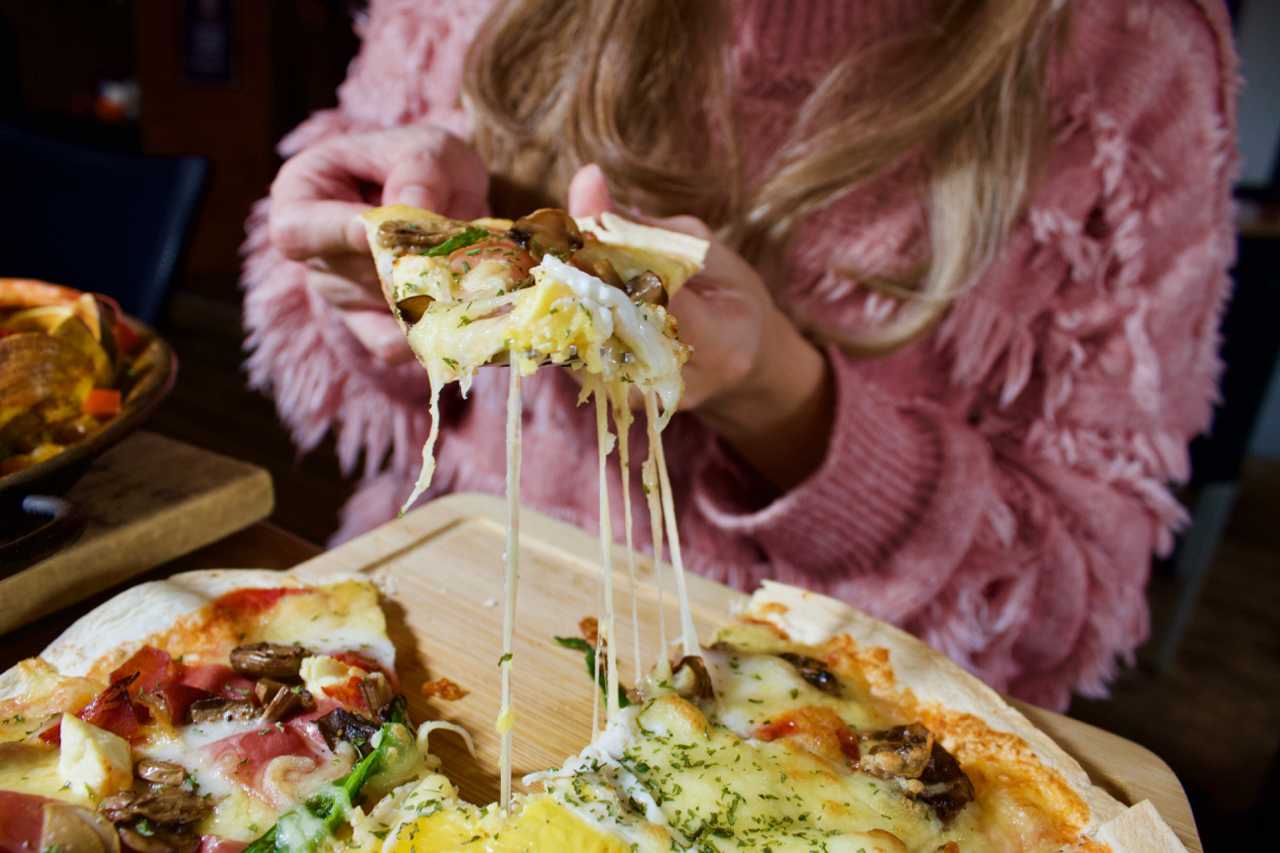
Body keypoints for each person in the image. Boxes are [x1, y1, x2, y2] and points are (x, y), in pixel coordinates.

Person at [243, 0, 1238, 711]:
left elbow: (1066, 606)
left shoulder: (1128, 49)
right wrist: (379, 284)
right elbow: (347, 371)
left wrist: (779, 401)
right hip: (421, 639)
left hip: (819, 736)